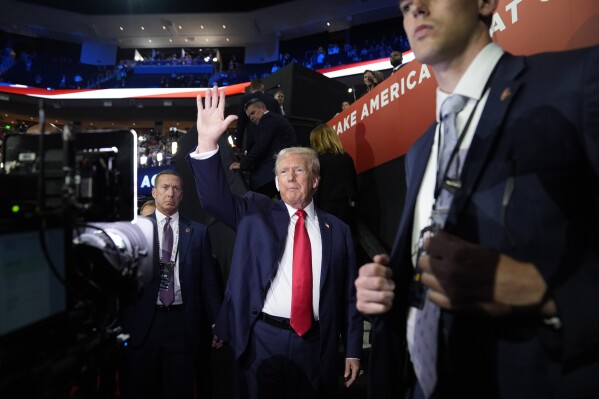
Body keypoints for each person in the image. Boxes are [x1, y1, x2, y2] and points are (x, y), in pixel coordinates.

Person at [355, 0, 599, 398]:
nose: (414, 6)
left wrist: (543, 291)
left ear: (485, 3)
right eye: (403, 4)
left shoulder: (579, 81)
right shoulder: (420, 151)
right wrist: (388, 288)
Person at [187, 86, 363, 399]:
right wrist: (207, 144)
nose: (291, 177)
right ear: (277, 182)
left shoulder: (338, 230)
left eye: (299, 170)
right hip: (261, 341)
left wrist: (352, 350)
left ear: (315, 179)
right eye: (283, 172)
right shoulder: (255, 210)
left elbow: (349, 297)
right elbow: (214, 201)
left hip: (316, 345)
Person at [118, 169, 224, 399]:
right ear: (154, 192)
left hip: (182, 323)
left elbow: (208, 281)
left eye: (176, 188)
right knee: (141, 388)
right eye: (165, 188)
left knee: (179, 389)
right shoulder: (135, 228)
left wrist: (217, 321)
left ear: (182, 195)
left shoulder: (198, 232)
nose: (170, 193)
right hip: (144, 322)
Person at [230, 97, 296, 199]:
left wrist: (242, 164)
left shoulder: (268, 120)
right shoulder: (273, 120)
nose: (251, 118)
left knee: (259, 206)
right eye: (249, 116)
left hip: (271, 175)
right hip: (278, 173)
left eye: (253, 113)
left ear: (262, 108)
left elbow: (260, 146)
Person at [309, 123, 358, 232]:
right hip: (346, 207)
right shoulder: (346, 158)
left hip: (323, 207)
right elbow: (353, 184)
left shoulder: (316, 160)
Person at [235, 79, 281, 153]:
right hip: (271, 142)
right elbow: (280, 122)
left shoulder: (245, 99)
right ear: (262, 88)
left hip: (253, 142)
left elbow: (241, 124)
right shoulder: (273, 101)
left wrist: (238, 145)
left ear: (250, 89)